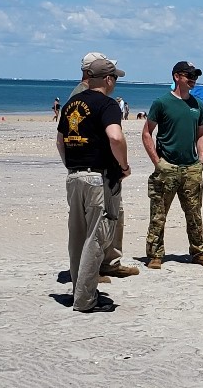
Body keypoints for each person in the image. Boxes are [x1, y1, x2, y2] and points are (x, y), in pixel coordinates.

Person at [56, 59, 131, 313]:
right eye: (115, 79)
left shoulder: (70, 105)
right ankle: (85, 299)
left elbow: (60, 141)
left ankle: (80, 290)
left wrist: (72, 165)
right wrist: (124, 165)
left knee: (77, 237)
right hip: (98, 178)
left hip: (74, 177)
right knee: (96, 238)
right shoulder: (107, 104)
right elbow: (115, 136)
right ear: (108, 80)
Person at [141, 61, 203, 269]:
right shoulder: (162, 103)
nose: (192, 79)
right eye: (188, 75)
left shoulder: (197, 105)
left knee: (194, 213)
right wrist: (157, 162)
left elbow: (201, 134)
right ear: (176, 76)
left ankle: (199, 252)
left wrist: (201, 161)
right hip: (167, 167)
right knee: (159, 212)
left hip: (191, 167)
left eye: (195, 76)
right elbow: (147, 132)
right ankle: (155, 254)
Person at [70, 52, 139, 281]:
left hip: (98, 170)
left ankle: (108, 261)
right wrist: (123, 165)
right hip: (99, 171)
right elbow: (112, 137)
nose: (113, 80)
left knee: (112, 215)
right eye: (110, 75)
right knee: (98, 222)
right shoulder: (85, 96)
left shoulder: (81, 95)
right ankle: (94, 269)